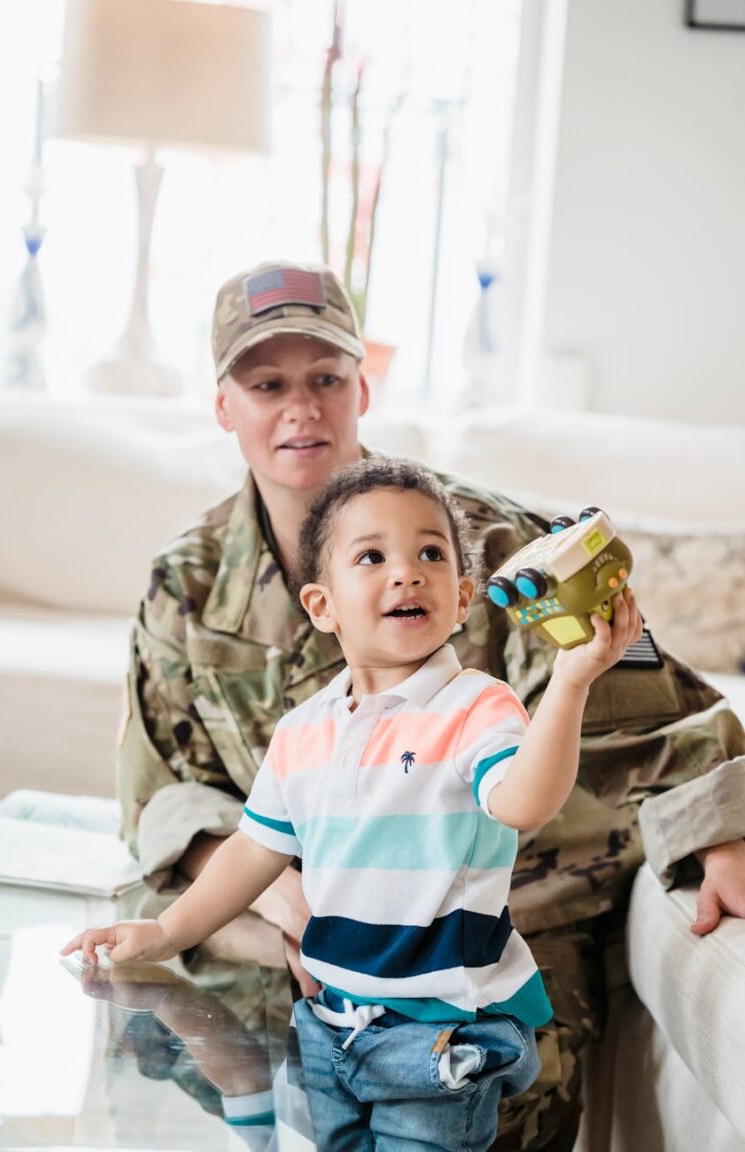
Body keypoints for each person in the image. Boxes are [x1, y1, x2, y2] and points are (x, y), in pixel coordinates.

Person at [115, 258, 745, 1149]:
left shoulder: (497, 544)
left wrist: (722, 828)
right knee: (177, 1063)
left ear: (360, 390)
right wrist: (283, 894)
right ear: (226, 407)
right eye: (267, 383)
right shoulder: (185, 582)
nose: (302, 408)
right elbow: (158, 792)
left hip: (483, 940)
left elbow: (663, 706)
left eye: (326, 378)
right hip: (282, 934)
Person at [63, 459, 645, 1151]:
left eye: (430, 553)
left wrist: (572, 684)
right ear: (322, 606)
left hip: (443, 1032)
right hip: (332, 1020)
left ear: (462, 600)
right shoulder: (304, 730)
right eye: (372, 556)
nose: (407, 572)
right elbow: (254, 850)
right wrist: (165, 933)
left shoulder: (475, 707)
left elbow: (523, 801)